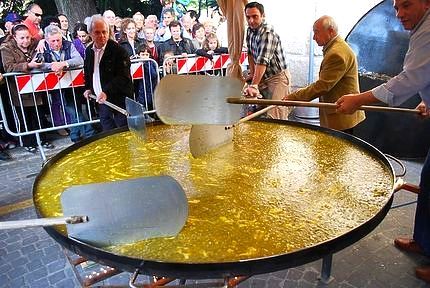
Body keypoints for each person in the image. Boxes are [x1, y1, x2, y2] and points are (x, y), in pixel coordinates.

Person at [336, 0, 430, 283]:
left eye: (406, 5)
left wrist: (358, 100)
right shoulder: (421, 27)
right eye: (396, 7)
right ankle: (424, 241)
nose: (399, 14)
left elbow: (407, 80)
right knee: (428, 182)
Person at [283, 15, 365, 133]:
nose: (314, 38)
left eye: (317, 33)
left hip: (341, 117)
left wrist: (293, 97)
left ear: (330, 31)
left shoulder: (336, 54)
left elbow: (322, 86)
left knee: (337, 150)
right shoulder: (336, 47)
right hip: (341, 114)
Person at [0, 24, 54, 153]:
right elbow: (9, 68)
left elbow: (46, 38)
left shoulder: (34, 43)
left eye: (28, 37)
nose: (26, 41)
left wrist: (42, 41)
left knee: (38, 114)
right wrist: (28, 65)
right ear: (14, 37)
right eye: (22, 38)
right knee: (24, 117)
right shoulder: (6, 48)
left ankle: (42, 139)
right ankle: (27, 142)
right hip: (17, 89)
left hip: (36, 87)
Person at [41, 24, 95, 143]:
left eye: (58, 40)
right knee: (72, 109)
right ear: (46, 40)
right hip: (54, 86)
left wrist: (63, 64)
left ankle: (76, 135)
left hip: (72, 85)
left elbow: (79, 60)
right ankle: (88, 132)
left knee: (74, 109)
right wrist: (53, 66)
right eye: (53, 41)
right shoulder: (42, 48)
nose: (56, 43)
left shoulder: (69, 45)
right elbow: (38, 64)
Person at [83, 15, 133, 131]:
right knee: (107, 131)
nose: (102, 36)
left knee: (122, 131)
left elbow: (123, 77)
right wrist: (88, 88)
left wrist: (106, 92)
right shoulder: (89, 51)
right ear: (90, 33)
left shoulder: (119, 51)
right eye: (97, 32)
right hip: (101, 100)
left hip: (118, 100)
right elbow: (89, 72)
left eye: (104, 32)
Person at [243, 1, 292, 120]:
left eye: (255, 16)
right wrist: (253, 75)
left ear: (263, 16)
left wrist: (254, 85)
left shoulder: (267, 33)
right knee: (260, 114)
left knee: (276, 117)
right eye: (248, 17)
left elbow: (262, 61)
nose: (251, 21)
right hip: (264, 76)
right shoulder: (249, 30)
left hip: (277, 78)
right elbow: (250, 54)